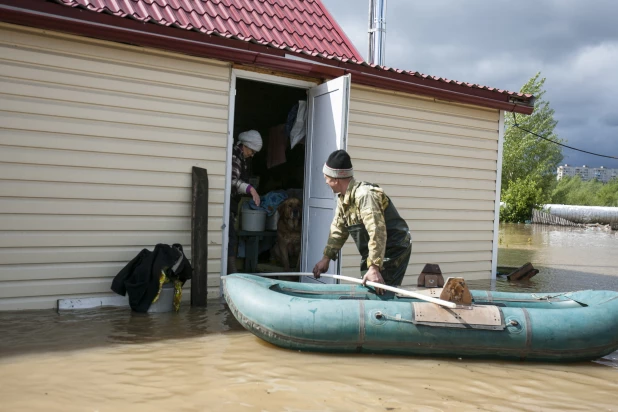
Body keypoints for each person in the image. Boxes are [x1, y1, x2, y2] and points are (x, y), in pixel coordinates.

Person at [312, 150, 412, 294]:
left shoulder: (365, 196)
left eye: (326, 178)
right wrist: (326, 258)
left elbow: (377, 232)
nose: (326, 182)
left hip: (393, 248)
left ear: (336, 179)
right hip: (374, 250)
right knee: (368, 285)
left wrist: (374, 268)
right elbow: (338, 230)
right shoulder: (344, 198)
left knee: (379, 289)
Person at [228, 130, 263, 274]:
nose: (252, 154)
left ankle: (232, 272)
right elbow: (232, 180)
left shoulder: (243, 159)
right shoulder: (235, 156)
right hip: (228, 202)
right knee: (230, 237)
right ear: (246, 145)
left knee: (231, 236)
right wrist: (250, 189)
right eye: (252, 151)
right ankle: (232, 272)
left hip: (233, 203)